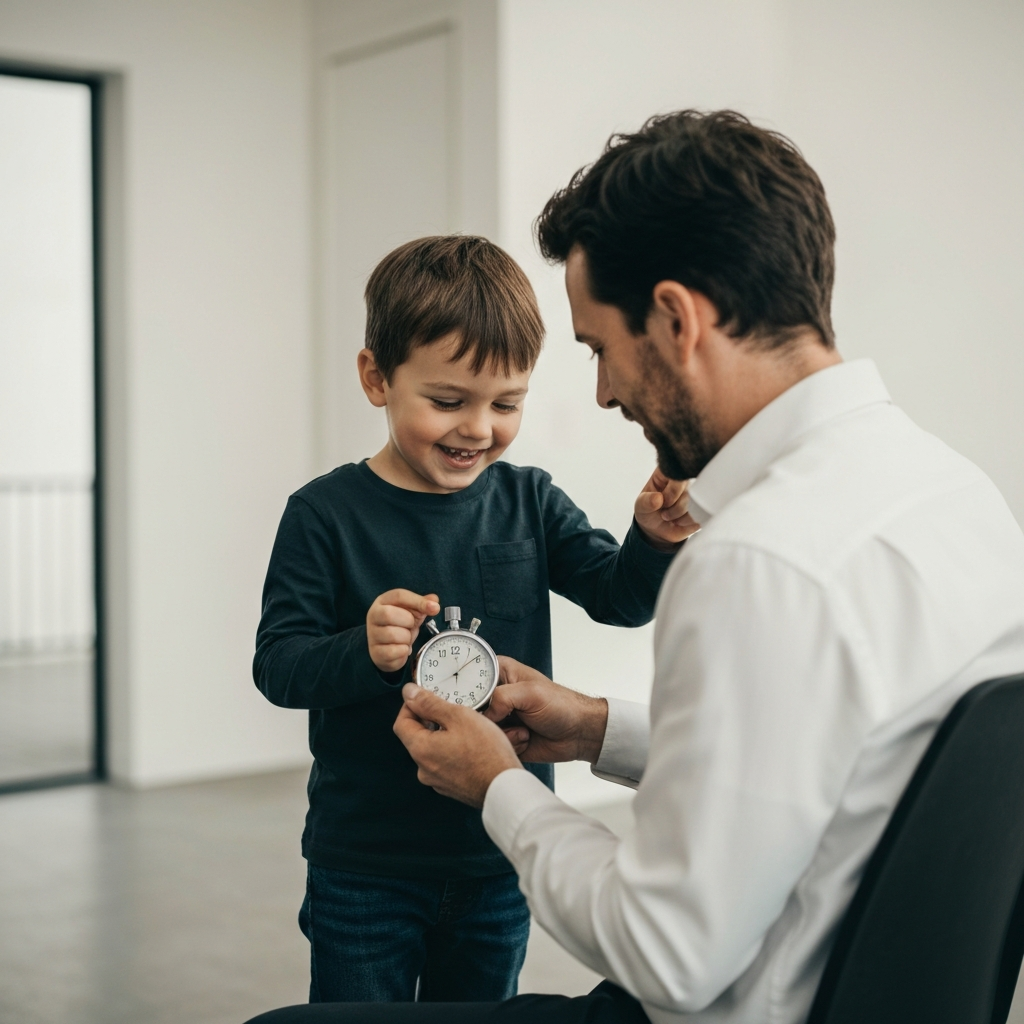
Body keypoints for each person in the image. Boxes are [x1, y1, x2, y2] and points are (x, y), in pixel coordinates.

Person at [245, 110, 1024, 1024]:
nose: (607, 392)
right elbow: (826, 760)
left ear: (674, 319)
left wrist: (498, 787)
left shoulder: (758, 561)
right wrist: (588, 727)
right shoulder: (960, 493)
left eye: (599, 351)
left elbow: (669, 956)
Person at [253, 235, 692, 1006]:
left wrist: (653, 539)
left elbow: (618, 598)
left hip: (498, 857)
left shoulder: (529, 499)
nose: (478, 429)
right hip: (365, 867)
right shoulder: (323, 515)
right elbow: (279, 665)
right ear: (376, 378)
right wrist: (363, 649)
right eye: (448, 401)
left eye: (507, 403)